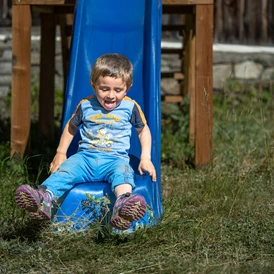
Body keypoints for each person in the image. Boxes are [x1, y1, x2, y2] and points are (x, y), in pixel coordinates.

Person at [15, 53, 156, 230]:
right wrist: (60, 153)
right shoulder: (86, 105)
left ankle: (123, 206)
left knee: (123, 174)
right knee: (65, 171)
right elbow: (71, 127)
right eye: (104, 89)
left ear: (127, 87)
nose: (111, 95)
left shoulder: (130, 107)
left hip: (115, 160)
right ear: (93, 85)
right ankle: (44, 199)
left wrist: (145, 158)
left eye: (118, 90)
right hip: (85, 159)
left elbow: (143, 131)